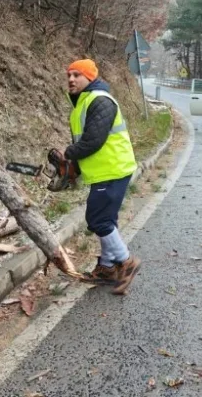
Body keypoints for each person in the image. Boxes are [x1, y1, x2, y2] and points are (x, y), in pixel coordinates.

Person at [60, 59, 141, 295]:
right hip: (104, 170)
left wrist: (68, 154)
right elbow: (85, 141)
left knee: (98, 219)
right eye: (69, 75)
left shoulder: (100, 101)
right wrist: (74, 164)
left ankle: (126, 262)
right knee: (106, 218)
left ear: (90, 78)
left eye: (77, 75)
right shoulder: (83, 103)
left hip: (113, 169)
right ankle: (107, 267)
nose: (71, 79)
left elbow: (93, 140)